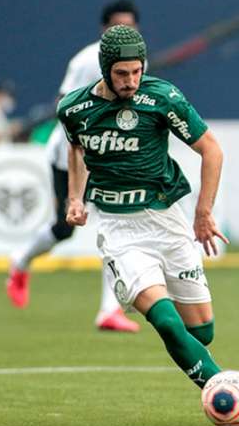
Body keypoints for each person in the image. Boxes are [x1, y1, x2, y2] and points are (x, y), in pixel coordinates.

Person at [59, 25, 229, 390]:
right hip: (120, 231)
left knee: (202, 331)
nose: (131, 81)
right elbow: (77, 149)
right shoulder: (74, 109)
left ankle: (214, 379)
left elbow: (211, 149)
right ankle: (224, 389)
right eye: (122, 73)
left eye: (137, 71)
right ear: (106, 69)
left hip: (167, 221)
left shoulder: (163, 98)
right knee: (166, 322)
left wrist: (203, 213)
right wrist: (76, 197)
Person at [7, 0, 141, 332]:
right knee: (65, 227)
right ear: (104, 29)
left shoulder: (138, 60)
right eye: (116, 26)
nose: (123, 32)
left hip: (107, 154)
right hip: (71, 152)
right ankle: (20, 260)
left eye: (129, 26)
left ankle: (109, 311)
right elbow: (64, 106)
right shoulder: (85, 61)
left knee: (117, 223)